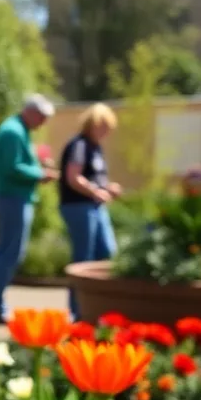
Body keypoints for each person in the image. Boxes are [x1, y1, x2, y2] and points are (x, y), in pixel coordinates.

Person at [0, 94, 58, 322]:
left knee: (10, 251)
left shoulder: (18, 130)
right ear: (31, 112)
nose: (43, 122)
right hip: (11, 198)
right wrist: (40, 174)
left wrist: (37, 165)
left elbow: (17, 162)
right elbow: (11, 167)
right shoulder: (12, 131)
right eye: (42, 117)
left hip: (15, 198)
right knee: (8, 252)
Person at [59, 103, 121, 316]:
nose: (106, 132)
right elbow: (73, 177)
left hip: (95, 207)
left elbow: (95, 177)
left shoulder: (96, 147)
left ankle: (98, 307)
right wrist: (95, 191)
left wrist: (107, 188)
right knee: (83, 259)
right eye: (103, 126)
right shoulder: (79, 145)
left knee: (107, 253)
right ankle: (78, 311)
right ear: (92, 124)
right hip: (79, 206)